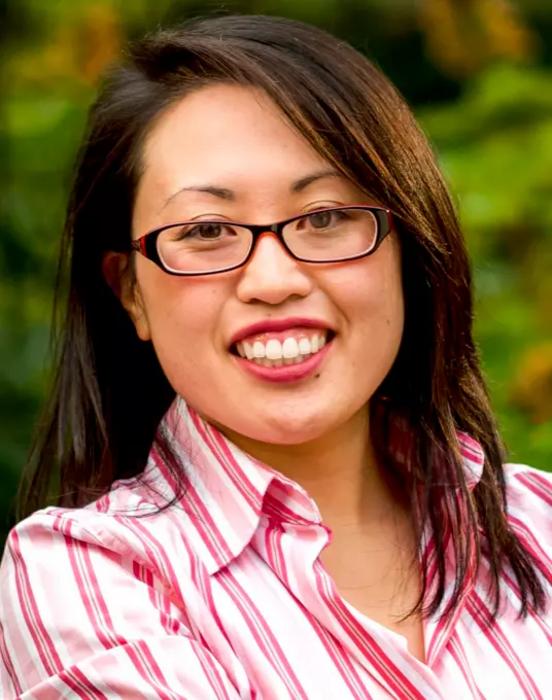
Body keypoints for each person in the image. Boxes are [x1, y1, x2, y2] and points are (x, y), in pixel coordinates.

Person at [0, 13, 550, 699]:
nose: (273, 280)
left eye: (324, 218)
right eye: (207, 230)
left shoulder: (538, 526)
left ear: (407, 248)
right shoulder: (91, 576)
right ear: (131, 291)